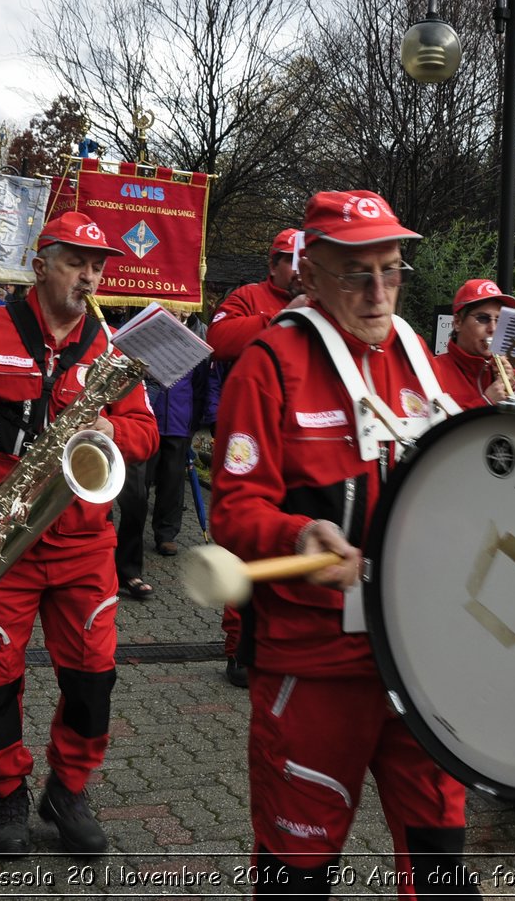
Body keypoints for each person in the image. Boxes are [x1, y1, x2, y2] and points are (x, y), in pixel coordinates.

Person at [210, 190, 476, 897]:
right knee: (298, 875)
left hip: (418, 658)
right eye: (357, 273)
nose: (378, 290)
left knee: (442, 867)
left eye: (391, 270)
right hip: (315, 667)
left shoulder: (419, 353)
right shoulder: (270, 363)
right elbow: (233, 511)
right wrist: (298, 532)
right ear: (312, 272)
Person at [0, 212, 159, 858]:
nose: (89, 276)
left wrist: (102, 434)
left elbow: (146, 433)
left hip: (82, 546)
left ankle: (68, 790)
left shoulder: (112, 349)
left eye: (97, 265)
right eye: (75, 261)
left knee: (94, 678)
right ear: (40, 264)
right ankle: (7, 796)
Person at [206, 226, 305, 688]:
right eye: (291, 260)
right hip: (248, 435)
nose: (299, 269)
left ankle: (282, 639)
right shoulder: (249, 296)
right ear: (274, 264)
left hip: (296, 439)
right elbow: (219, 338)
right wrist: (281, 318)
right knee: (244, 541)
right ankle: (237, 647)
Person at [116, 310, 210, 599]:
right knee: (136, 489)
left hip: (177, 420)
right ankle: (120, 549)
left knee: (168, 481)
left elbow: (201, 384)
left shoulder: (196, 333)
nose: (178, 310)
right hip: (143, 418)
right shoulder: (140, 329)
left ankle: (160, 539)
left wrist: (196, 421)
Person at [432, 279, 515, 409]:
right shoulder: (433, 371)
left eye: (499, 320)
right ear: (457, 322)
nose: (493, 328)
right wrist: (485, 402)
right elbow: (433, 428)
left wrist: (513, 388)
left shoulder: (504, 373)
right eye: (483, 318)